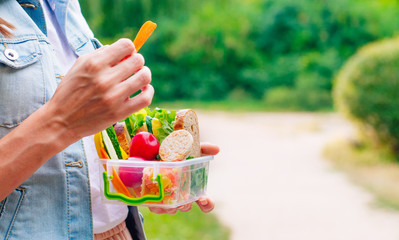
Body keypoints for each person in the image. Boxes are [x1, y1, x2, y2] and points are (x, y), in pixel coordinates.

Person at [0, 0, 217, 239]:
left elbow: (89, 153)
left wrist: (150, 177)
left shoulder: (63, 6)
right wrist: (60, 122)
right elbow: (66, 120)